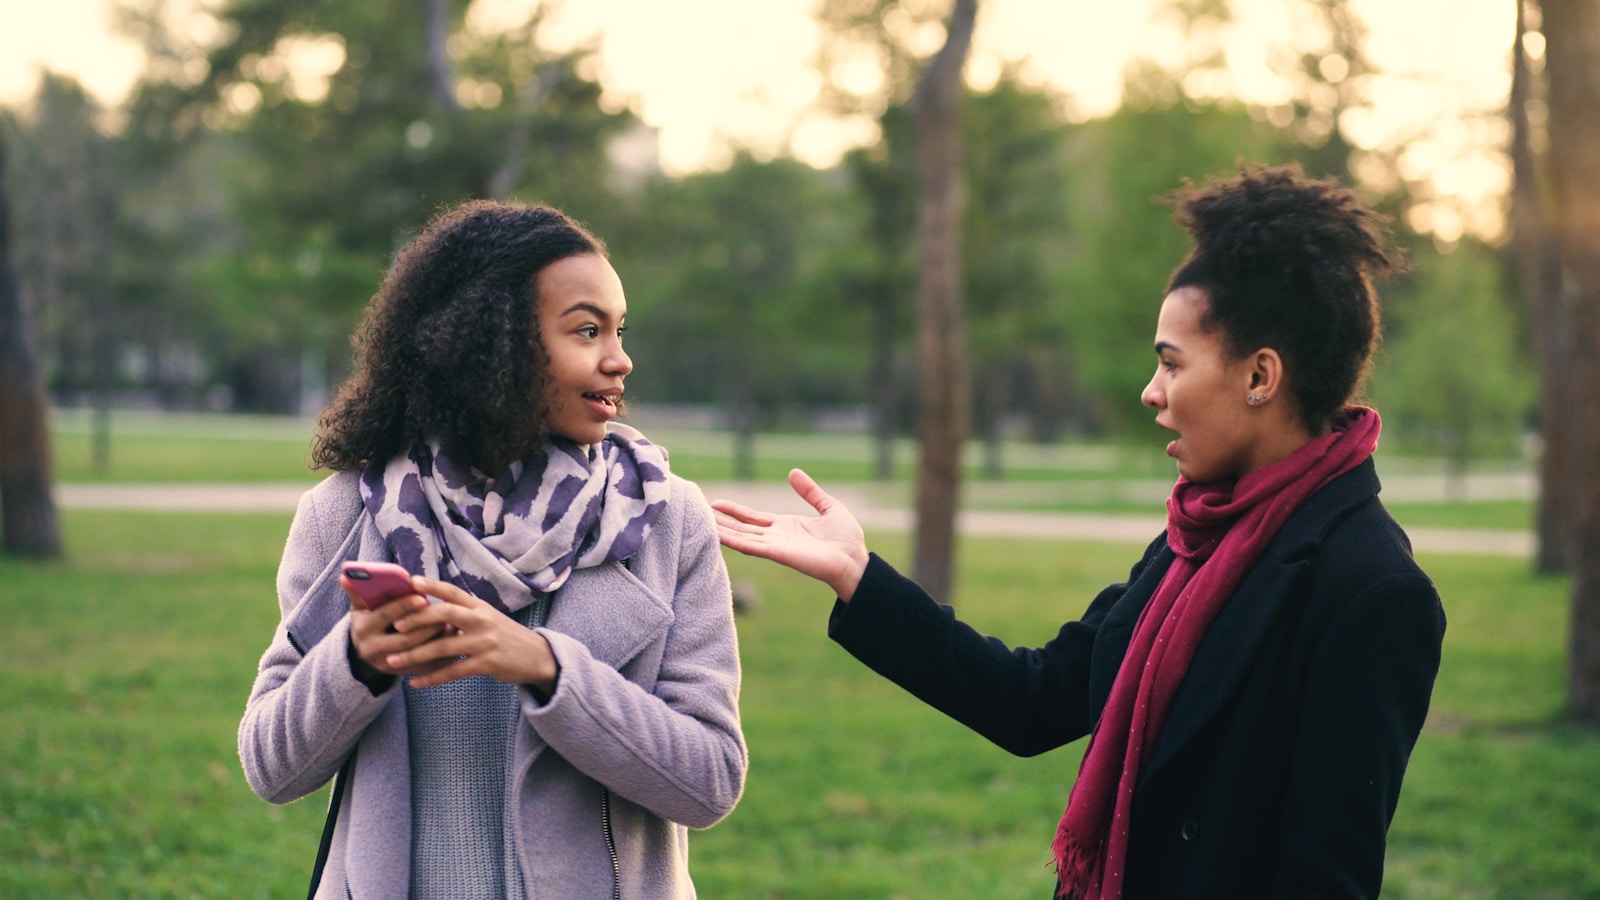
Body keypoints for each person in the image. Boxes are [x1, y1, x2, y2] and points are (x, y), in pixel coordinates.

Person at [713, 164, 1445, 899]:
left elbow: (1325, 882)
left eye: (1171, 363)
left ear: (1261, 376)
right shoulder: (1197, 541)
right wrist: (857, 576)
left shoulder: (1370, 589)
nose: (1150, 392)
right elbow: (1032, 700)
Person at [239, 200, 746, 899]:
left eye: (619, 330)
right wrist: (356, 660)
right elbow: (271, 767)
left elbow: (711, 780)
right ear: (492, 342)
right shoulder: (348, 514)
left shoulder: (661, 519)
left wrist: (548, 671)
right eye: (587, 330)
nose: (619, 358)